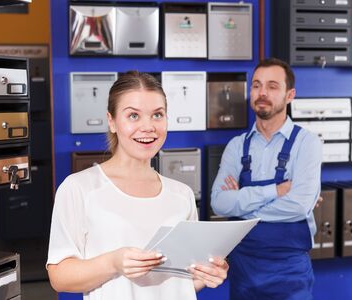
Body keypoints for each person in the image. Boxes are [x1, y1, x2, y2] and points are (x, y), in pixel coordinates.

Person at [47, 71, 229, 299]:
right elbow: (59, 277)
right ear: (112, 121)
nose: (148, 126)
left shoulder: (181, 194)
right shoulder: (79, 188)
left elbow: (179, 284)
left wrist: (206, 274)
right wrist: (114, 262)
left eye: (157, 115)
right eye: (133, 116)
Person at [211, 58, 322, 300]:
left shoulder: (307, 143)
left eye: (272, 86)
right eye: (257, 85)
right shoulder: (236, 146)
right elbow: (219, 202)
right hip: (244, 269)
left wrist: (241, 204)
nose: (262, 93)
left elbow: (299, 206)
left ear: (290, 94)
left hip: (290, 272)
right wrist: (275, 190)